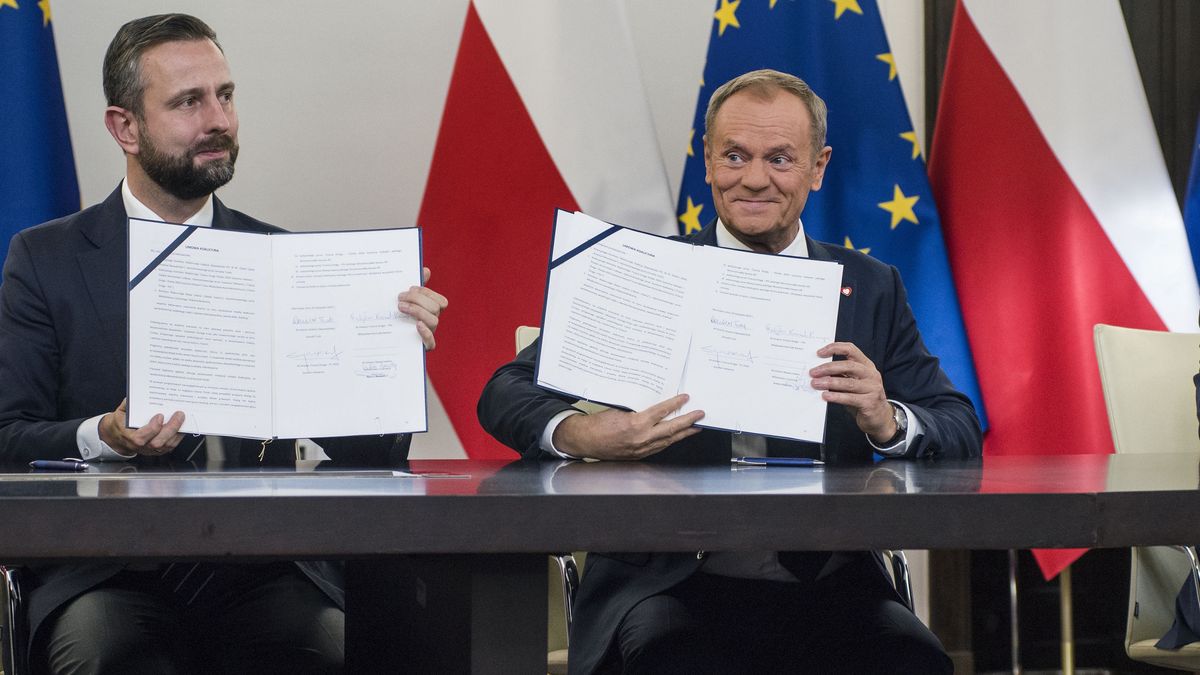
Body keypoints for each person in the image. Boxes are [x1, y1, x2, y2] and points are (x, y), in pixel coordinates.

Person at [478, 69, 982, 674]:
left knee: (917, 662)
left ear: (818, 168)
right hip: (670, 583)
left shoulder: (871, 285)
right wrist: (588, 434)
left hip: (832, 582)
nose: (754, 179)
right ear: (709, 160)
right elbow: (503, 392)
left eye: (780, 159)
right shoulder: (648, 271)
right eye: (735, 156)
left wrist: (887, 420)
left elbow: (958, 425)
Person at [0, 14, 447, 674]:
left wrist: (388, 362)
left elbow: (368, 459)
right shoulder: (45, 259)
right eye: (189, 101)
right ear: (125, 127)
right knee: (109, 654)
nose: (219, 120)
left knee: (343, 647)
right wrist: (105, 435)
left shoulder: (280, 256)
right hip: (105, 572)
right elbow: (9, 434)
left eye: (226, 95)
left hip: (260, 568)